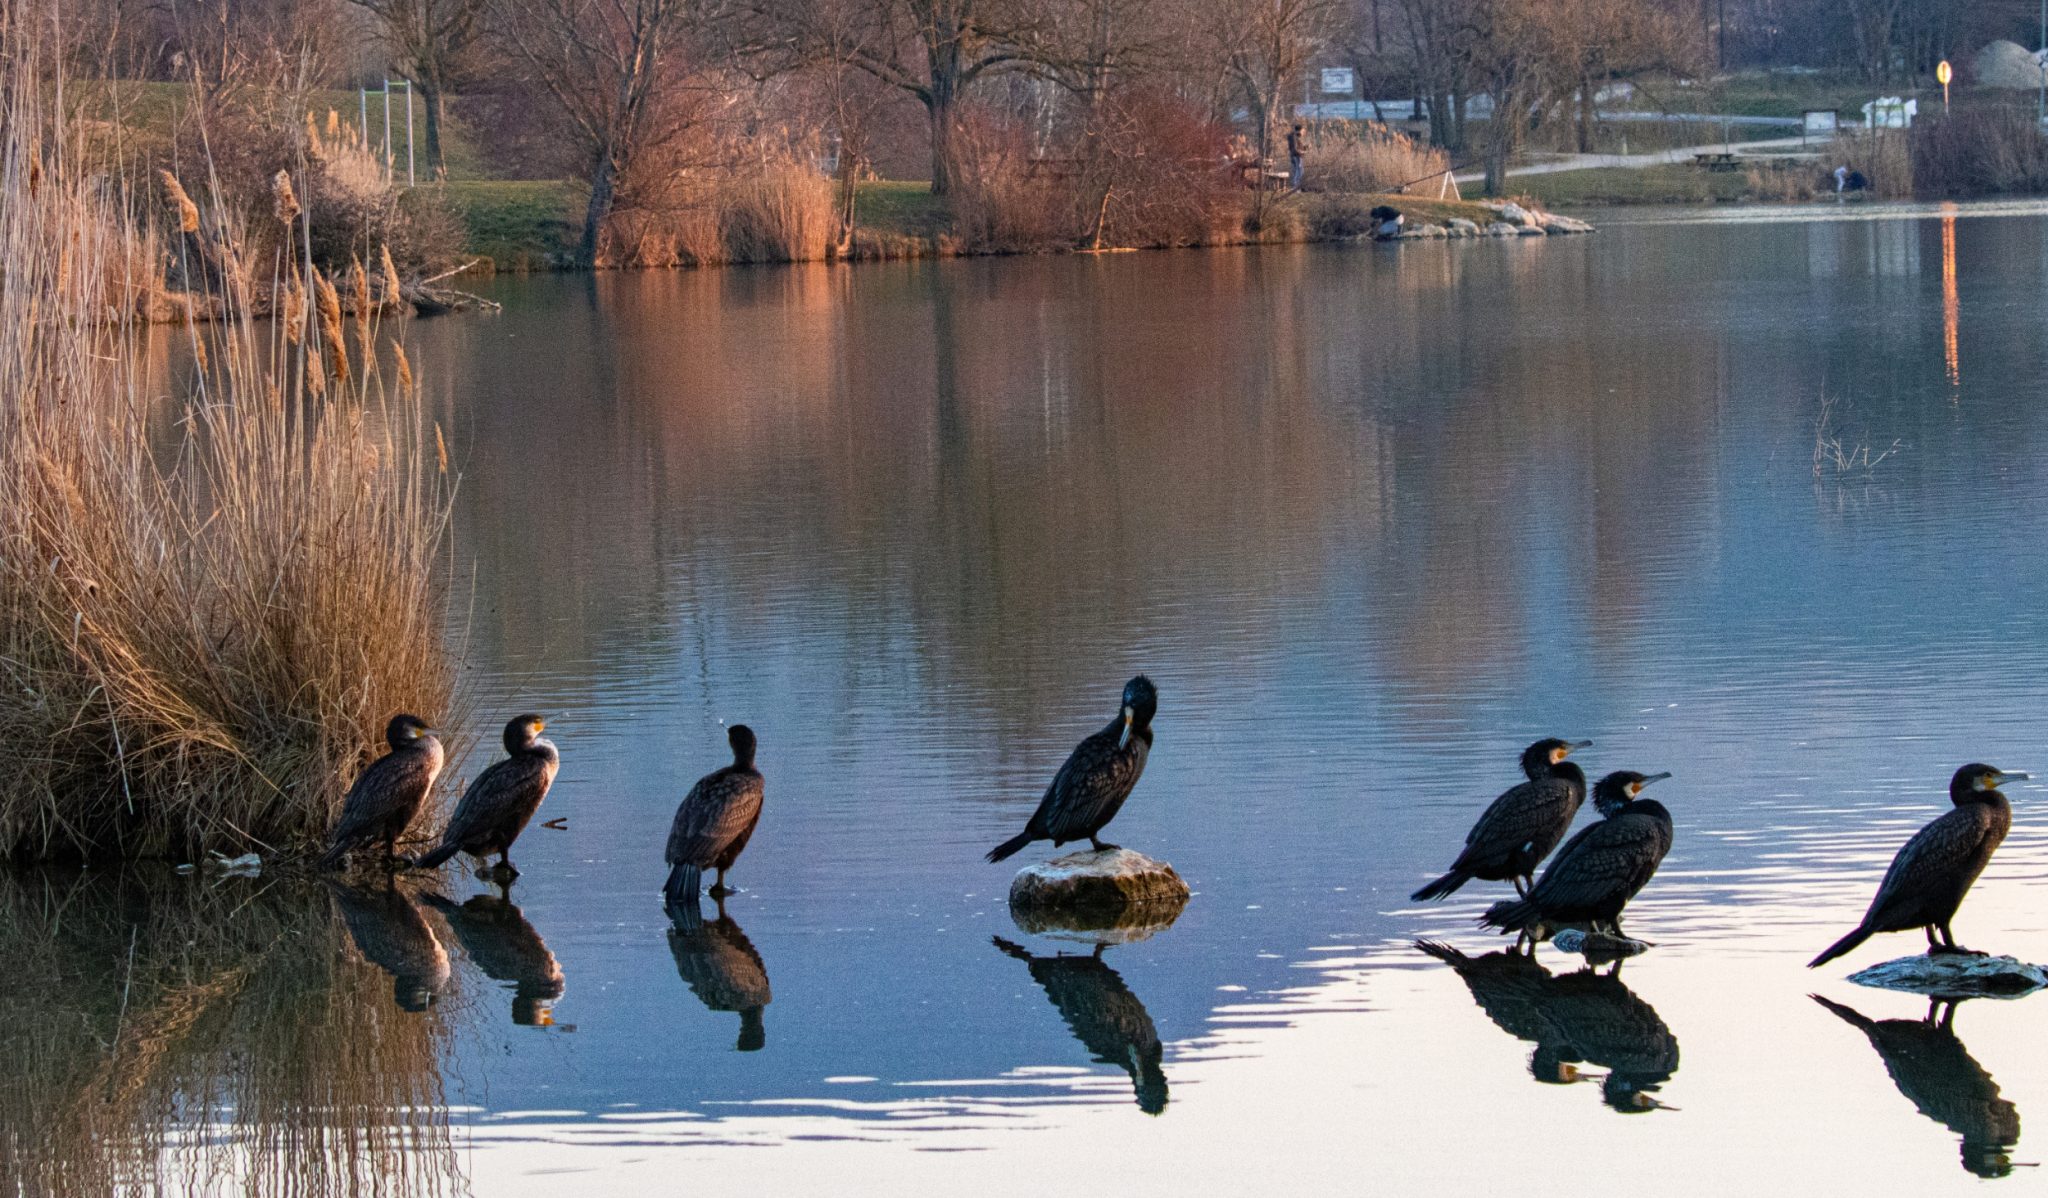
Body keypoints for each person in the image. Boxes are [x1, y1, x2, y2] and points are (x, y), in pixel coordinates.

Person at [1287, 122, 1306, 191]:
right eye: (1303, 131)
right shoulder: (1294, 137)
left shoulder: (1294, 137)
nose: (1303, 133)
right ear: (1299, 130)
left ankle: (1296, 188)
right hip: (1297, 156)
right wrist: (1302, 152)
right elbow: (1294, 149)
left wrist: (1305, 147)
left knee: (1296, 171)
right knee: (1299, 172)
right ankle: (1296, 188)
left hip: (1294, 156)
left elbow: (1296, 147)